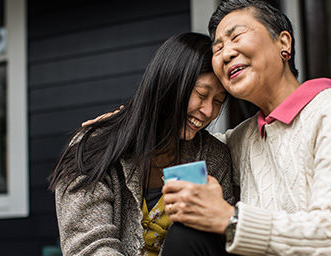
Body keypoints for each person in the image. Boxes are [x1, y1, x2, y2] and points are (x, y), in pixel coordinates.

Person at [160, 0, 331, 255]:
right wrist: (123, 121)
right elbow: (183, 140)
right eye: (218, 47)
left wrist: (229, 219)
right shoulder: (244, 138)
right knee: (187, 233)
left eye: (236, 37)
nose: (226, 53)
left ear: (284, 43)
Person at [49, 32, 235, 256]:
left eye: (218, 101)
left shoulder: (213, 158)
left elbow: (221, 242)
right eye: (201, 94)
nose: (209, 112)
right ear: (168, 83)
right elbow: (88, 247)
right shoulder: (94, 149)